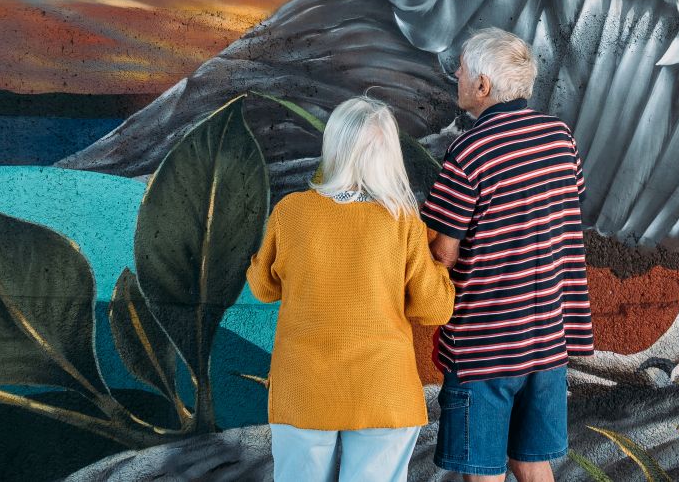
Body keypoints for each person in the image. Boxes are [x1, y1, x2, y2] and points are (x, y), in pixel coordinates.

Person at [246, 95, 455, 482]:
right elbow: (434, 309)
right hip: (383, 391)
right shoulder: (403, 220)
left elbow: (263, 288)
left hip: (303, 389)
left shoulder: (290, 211)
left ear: (334, 146)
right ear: (389, 154)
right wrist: (441, 265)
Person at [422, 28, 594, 482]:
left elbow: (443, 253)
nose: (455, 73)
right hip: (547, 341)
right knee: (533, 464)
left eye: (461, 66)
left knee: (483, 471)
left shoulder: (470, 151)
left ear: (482, 85)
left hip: (486, 344)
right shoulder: (561, 139)